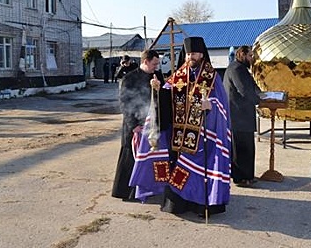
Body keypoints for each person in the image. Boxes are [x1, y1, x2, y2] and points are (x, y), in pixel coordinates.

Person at [130, 37, 232, 217]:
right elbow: (166, 97)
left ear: (202, 54)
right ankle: (179, 205)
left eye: (194, 53)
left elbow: (221, 104)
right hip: (178, 134)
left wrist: (211, 105)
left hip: (203, 134)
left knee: (200, 171)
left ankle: (203, 204)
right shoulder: (179, 75)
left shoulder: (212, 76)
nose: (190, 56)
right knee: (179, 169)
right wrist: (158, 89)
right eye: (188, 53)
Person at [111, 50, 165, 201]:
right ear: (146, 61)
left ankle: (147, 189)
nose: (156, 67)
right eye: (154, 64)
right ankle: (126, 192)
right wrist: (133, 125)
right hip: (134, 125)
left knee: (148, 157)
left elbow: (164, 96)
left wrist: (161, 88)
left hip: (152, 125)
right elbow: (124, 103)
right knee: (130, 158)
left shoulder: (157, 76)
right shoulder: (129, 78)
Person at [223, 45, 262, 187]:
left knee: (246, 147)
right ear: (243, 55)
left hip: (241, 115)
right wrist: (260, 100)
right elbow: (245, 91)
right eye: (250, 56)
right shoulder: (237, 69)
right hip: (238, 115)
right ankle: (242, 178)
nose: (252, 59)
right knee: (241, 149)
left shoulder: (240, 68)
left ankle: (247, 176)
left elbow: (252, 86)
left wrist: (263, 94)